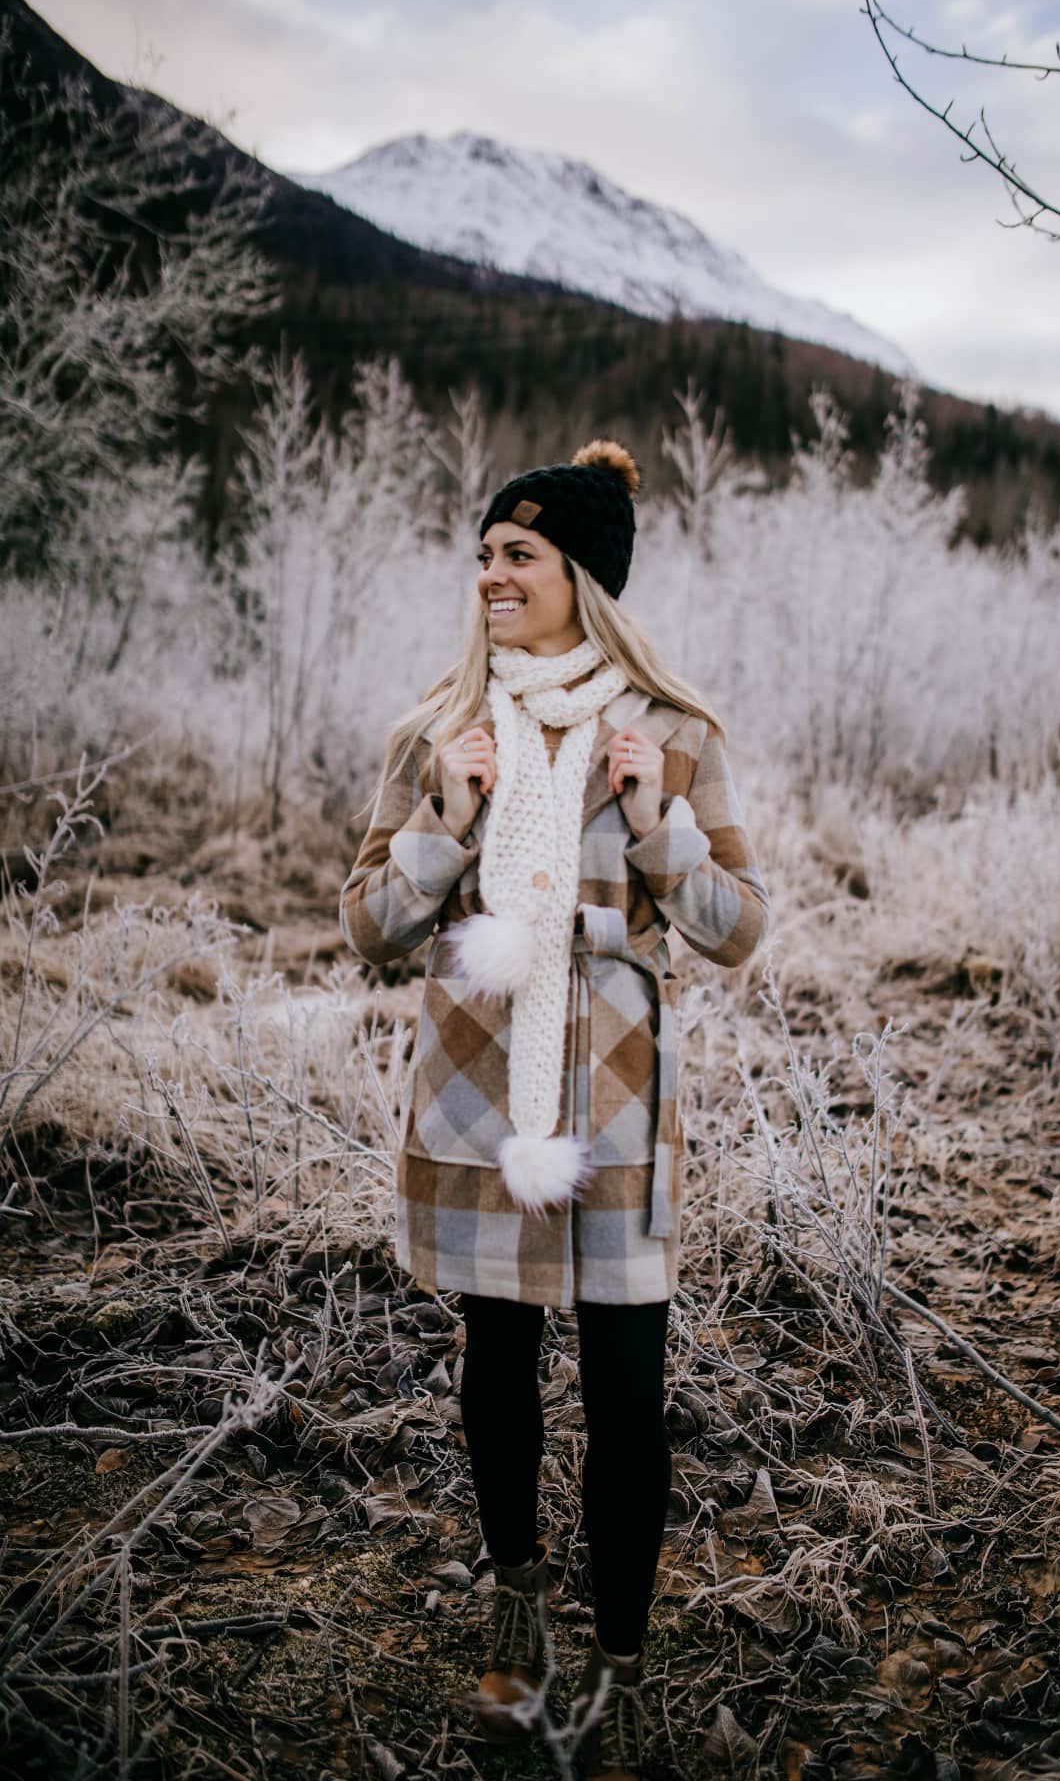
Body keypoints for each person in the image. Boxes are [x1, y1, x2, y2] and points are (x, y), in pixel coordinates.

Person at [340, 439, 769, 1778]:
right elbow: (368, 928)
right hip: (479, 1096)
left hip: (621, 1109)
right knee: (499, 1361)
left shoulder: (675, 737)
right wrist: (445, 816)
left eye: (517, 555)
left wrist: (659, 822)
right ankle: (518, 1592)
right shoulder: (436, 731)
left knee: (631, 1394)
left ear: (583, 576)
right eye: (482, 556)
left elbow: (736, 929)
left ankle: (624, 1660)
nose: (490, 578)